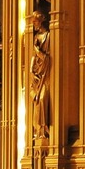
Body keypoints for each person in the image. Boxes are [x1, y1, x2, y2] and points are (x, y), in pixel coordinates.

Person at [29, 10, 51, 139]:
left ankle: (44, 129)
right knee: (36, 99)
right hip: (37, 72)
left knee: (42, 98)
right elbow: (33, 56)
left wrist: (38, 52)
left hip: (46, 72)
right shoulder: (36, 37)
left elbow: (47, 57)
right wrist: (32, 70)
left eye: (35, 22)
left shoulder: (48, 36)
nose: (34, 24)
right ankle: (38, 131)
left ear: (41, 21)